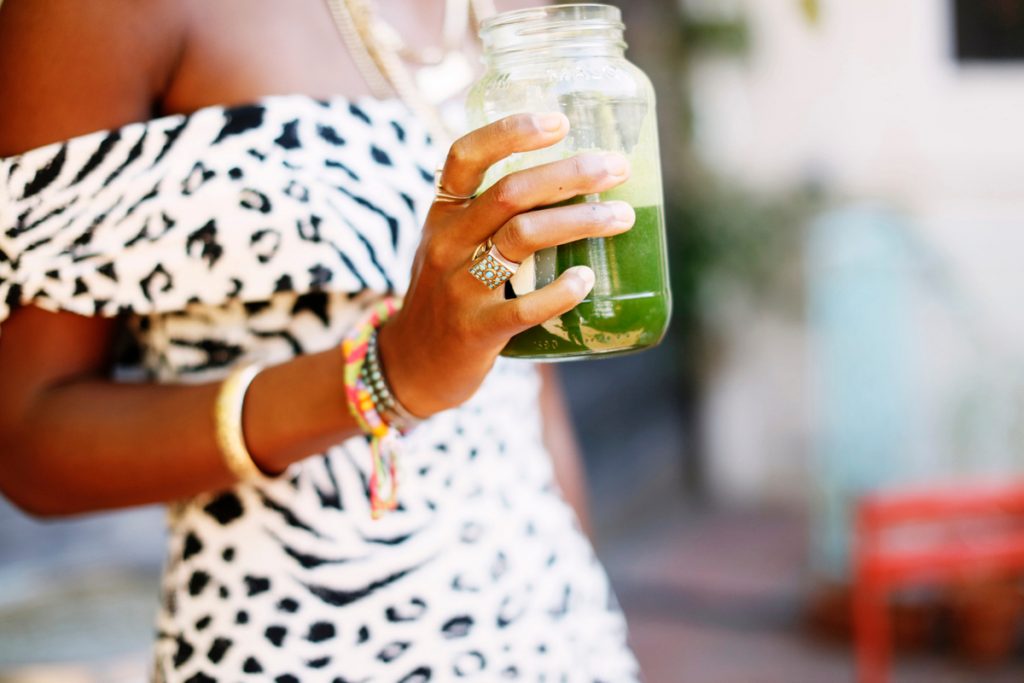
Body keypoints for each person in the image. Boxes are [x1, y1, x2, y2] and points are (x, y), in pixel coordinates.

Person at [0, 0, 642, 680]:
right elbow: (25, 437)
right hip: (302, 642)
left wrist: (588, 613)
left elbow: (528, 378)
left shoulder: (518, 14)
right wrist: (384, 375)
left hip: (553, 625)